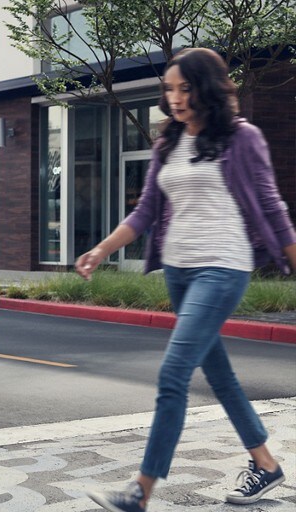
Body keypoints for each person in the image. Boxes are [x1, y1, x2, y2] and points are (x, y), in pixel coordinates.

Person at [76, 47, 296, 512]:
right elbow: (146, 212)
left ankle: (141, 489)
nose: (174, 98)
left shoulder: (243, 138)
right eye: (169, 89)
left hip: (223, 267)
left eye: (185, 88)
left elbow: (273, 209)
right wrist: (102, 248)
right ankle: (267, 464)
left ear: (207, 88)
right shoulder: (168, 143)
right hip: (178, 271)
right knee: (219, 375)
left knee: (173, 374)